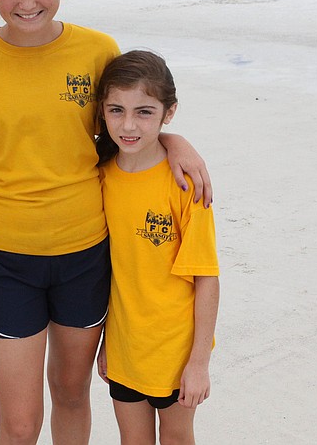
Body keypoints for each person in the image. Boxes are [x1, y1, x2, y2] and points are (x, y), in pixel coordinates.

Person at [0, 0, 212, 445]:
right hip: (4, 260)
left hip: (86, 256)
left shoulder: (97, 51)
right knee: (20, 425)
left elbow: (126, 128)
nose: (27, 2)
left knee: (71, 395)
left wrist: (175, 141)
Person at [94, 50, 220, 445]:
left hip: (175, 351)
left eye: (144, 112)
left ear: (169, 112)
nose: (128, 125)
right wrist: (105, 343)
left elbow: (206, 279)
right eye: (116, 110)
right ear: (102, 110)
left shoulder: (185, 183)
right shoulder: (99, 176)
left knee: (177, 439)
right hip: (125, 348)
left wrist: (199, 363)